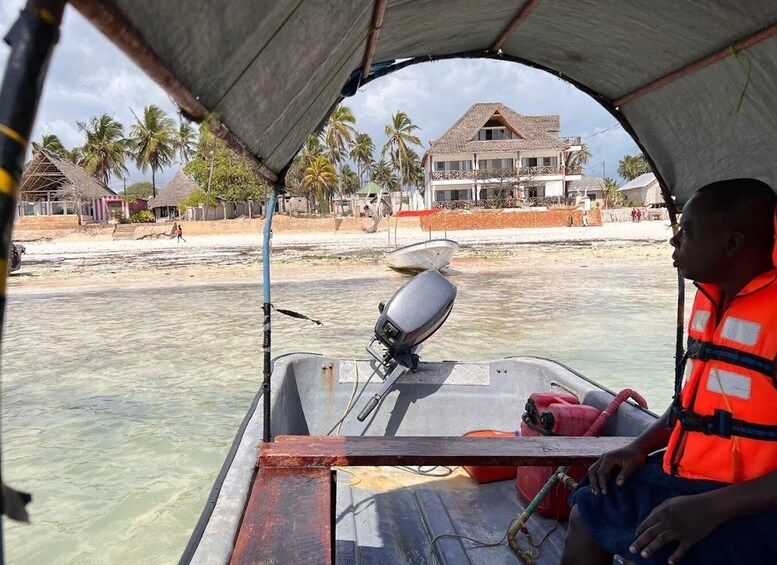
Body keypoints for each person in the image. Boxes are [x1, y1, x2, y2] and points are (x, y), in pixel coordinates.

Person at [561, 178, 777, 565]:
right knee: (591, 506)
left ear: (732, 244)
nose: (675, 242)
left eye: (688, 231)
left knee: (657, 548)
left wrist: (709, 509)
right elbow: (691, 404)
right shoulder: (713, 298)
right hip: (691, 479)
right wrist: (638, 446)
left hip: (752, 503)